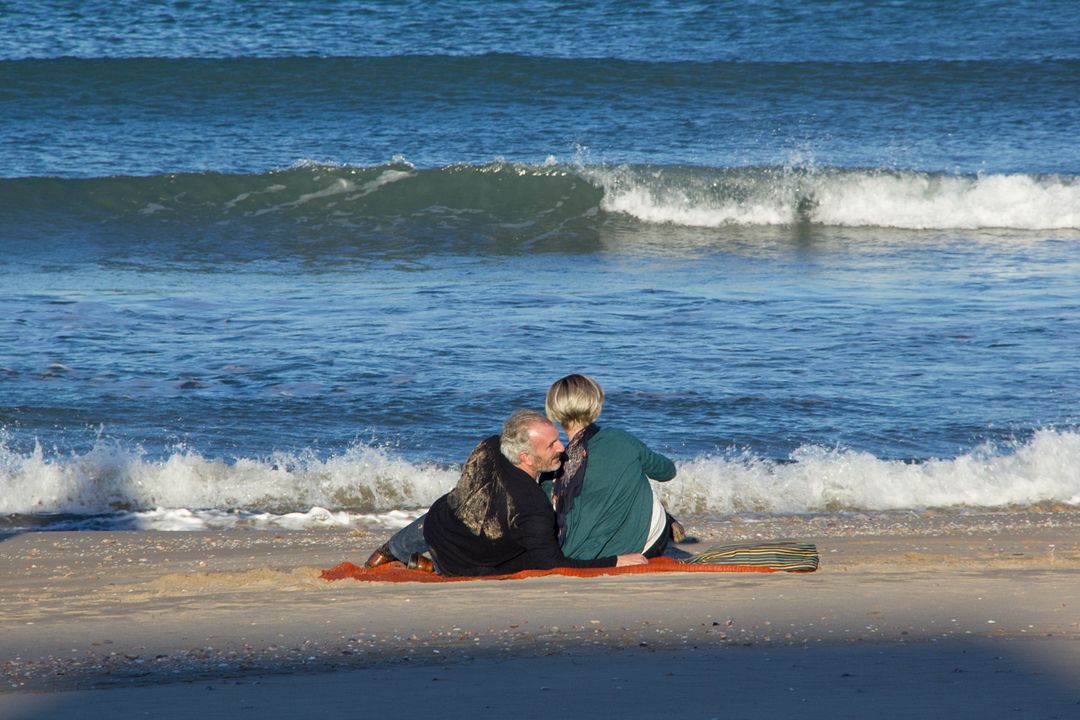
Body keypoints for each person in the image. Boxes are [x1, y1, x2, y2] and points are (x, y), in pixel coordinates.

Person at [363, 409, 647, 576]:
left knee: (453, 505)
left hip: (438, 527)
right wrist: (616, 561)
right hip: (461, 564)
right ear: (525, 457)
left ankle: (390, 551)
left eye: (558, 439)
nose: (562, 447)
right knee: (518, 555)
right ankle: (428, 566)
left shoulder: (489, 445)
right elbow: (552, 565)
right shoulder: (534, 507)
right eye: (551, 446)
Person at [544, 374, 678, 560]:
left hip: (579, 555)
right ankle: (664, 520)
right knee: (634, 469)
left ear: (554, 411)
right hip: (645, 545)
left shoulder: (551, 465)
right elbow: (667, 472)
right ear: (595, 405)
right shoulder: (620, 438)